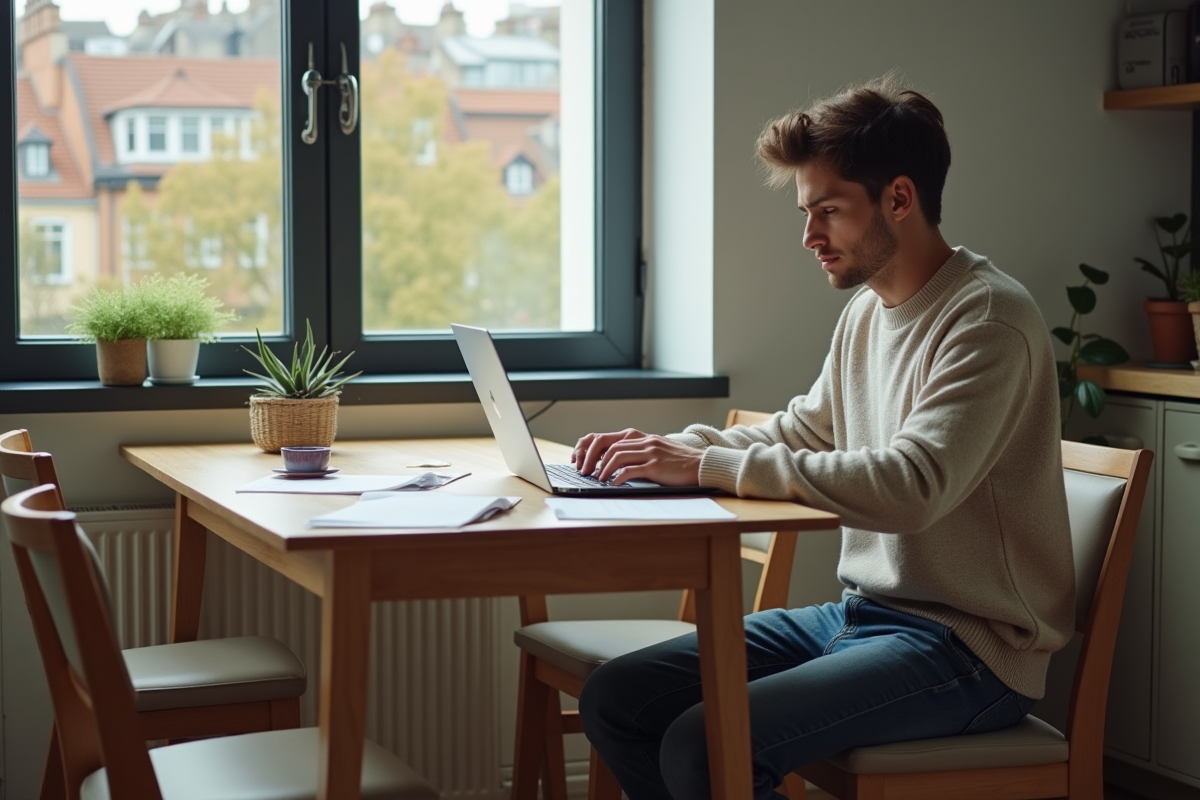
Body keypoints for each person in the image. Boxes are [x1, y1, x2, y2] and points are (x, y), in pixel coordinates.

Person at [572, 75, 1075, 800]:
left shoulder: (988, 320)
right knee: (617, 698)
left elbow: (913, 487)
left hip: (969, 649)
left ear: (898, 198)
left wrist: (706, 465)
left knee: (705, 746)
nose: (809, 236)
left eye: (828, 211)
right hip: (861, 616)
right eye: (807, 213)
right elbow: (801, 431)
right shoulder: (867, 313)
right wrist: (665, 450)